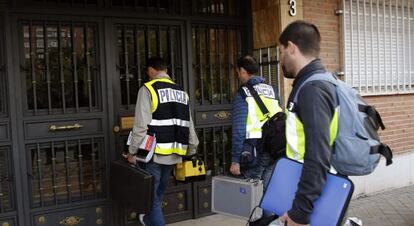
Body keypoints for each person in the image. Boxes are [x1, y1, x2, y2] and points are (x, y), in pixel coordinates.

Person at [278, 21, 339, 226]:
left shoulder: (313, 89)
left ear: (291, 47)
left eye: (281, 51)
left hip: (313, 199)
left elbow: (318, 155)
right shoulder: (315, 82)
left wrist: (300, 213)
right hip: (310, 190)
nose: (280, 59)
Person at [126, 57, 199, 226]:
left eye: (148, 73)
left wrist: (132, 151)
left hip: (154, 153)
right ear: (165, 70)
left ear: (152, 70)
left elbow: (141, 125)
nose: (148, 76)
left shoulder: (148, 89)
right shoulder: (182, 92)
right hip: (174, 152)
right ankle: (148, 218)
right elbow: (189, 123)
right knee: (157, 192)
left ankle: (152, 219)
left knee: (151, 195)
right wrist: (192, 148)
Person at [229, 55, 282, 189]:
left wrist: (235, 160)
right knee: (268, 191)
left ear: (242, 71)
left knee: (250, 194)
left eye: (238, 72)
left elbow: (239, 130)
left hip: (254, 150)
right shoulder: (272, 90)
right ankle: (268, 210)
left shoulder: (243, 94)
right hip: (274, 147)